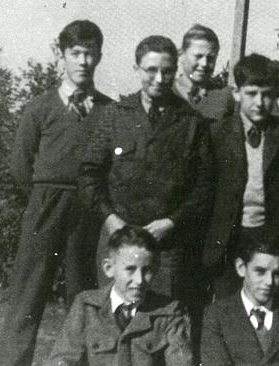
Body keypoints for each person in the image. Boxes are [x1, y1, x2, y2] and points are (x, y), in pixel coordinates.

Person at [0, 20, 113, 366]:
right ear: (61, 56)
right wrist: (42, 199)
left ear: (99, 57)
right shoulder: (40, 107)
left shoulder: (109, 111)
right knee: (27, 295)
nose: (83, 61)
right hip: (46, 206)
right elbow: (20, 165)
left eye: (89, 54)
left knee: (84, 295)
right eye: (75, 53)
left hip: (88, 210)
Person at [79, 35, 214, 300]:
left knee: (162, 321)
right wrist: (110, 219)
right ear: (136, 69)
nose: (160, 79)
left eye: (167, 71)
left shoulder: (191, 122)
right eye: (151, 70)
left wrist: (171, 222)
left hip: (166, 248)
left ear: (176, 71)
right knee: (112, 315)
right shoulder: (115, 115)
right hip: (117, 239)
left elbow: (204, 187)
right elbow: (88, 175)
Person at [203, 53, 279, 300]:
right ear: (236, 93)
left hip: (268, 236)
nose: (260, 102)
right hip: (228, 238)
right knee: (227, 305)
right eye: (252, 93)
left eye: (267, 94)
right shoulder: (216, 134)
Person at [47, 226, 193, 366]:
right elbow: (63, 359)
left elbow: (181, 361)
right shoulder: (87, 306)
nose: (139, 280)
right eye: (130, 269)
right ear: (109, 268)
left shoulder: (170, 313)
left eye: (147, 270)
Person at [201, 234, 279, 365]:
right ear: (241, 268)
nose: (269, 282)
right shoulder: (216, 315)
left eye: (276, 274)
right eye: (260, 271)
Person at [173, 23, 234, 120]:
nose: (204, 63)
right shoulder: (166, 92)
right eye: (198, 56)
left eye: (210, 58)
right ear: (182, 56)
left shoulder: (224, 97)